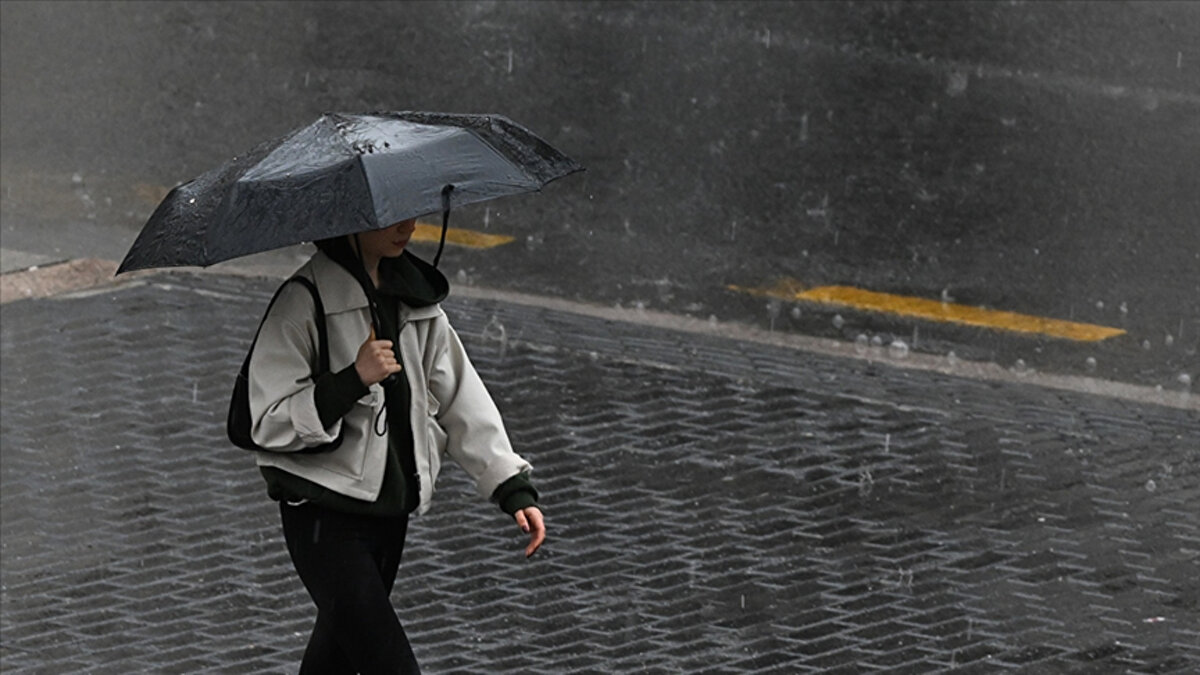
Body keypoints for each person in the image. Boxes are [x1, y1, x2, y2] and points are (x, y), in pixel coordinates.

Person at [246, 217, 545, 674]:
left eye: (411, 209)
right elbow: (268, 421)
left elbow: (459, 396)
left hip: (390, 516)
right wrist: (352, 379)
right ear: (350, 220)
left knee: (336, 662)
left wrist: (509, 484)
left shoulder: (417, 298)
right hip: (324, 517)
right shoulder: (304, 300)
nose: (407, 225)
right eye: (388, 216)